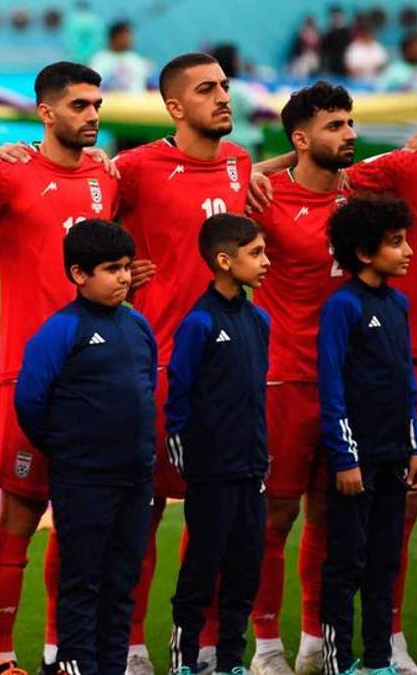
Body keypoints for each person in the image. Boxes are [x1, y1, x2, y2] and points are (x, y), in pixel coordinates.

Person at [251, 56, 417, 675]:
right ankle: (375, 642)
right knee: (379, 507)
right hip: (401, 365)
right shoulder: (402, 167)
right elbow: (307, 169)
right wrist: (261, 169)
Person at [111, 51, 254, 674]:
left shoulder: (243, 163)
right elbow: (78, 225)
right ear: (174, 107)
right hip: (154, 369)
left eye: (224, 85)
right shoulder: (135, 169)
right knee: (136, 515)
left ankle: (203, 647)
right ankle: (133, 647)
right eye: (206, 89)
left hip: (226, 380)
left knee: (219, 520)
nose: (223, 96)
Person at [0, 61, 118, 674]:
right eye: (79, 106)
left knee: (83, 521)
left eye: (96, 104)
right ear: (45, 113)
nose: (91, 115)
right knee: (18, 514)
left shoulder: (107, 176)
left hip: (96, 381)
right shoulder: (8, 174)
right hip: (26, 376)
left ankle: (65, 652)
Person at [14, 219, 156, 675]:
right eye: (112, 268)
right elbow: (30, 400)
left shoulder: (137, 325)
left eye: (127, 267)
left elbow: (146, 384)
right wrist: (70, 449)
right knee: (83, 583)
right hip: (84, 479)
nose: (124, 277)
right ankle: (76, 665)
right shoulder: (62, 330)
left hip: (135, 478)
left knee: (121, 584)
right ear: (78, 274)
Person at [247, 81, 355, 675]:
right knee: (275, 516)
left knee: (332, 514)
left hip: (350, 382)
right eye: (334, 125)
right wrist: (277, 162)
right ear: (300, 138)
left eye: (349, 123)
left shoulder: (364, 189)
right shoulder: (264, 196)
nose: (349, 134)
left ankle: (316, 640)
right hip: (284, 378)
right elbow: (215, 184)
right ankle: (266, 647)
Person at [318, 194, 417, 675]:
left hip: (392, 457)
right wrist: (345, 458)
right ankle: (337, 662)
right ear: (365, 253)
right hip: (355, 461)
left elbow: (404, 381)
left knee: (385, 564)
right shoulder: (342, 306)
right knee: (346, 566)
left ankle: (379, 661)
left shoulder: (399, 303)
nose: (408, 252)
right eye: (396, 243)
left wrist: (416, 446)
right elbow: (332, 384)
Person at [165, 214, 270, 675]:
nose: (266, 261)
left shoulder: (258, 319)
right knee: (200, 571)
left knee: (245, 571)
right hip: (212, 470)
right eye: (256, 254)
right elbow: (179, 394)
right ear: (225, 261)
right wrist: (192, 458)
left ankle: (231, 662)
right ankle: (185, 661)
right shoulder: (199, 323)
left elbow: (254, 393)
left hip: (251, 468)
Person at [88, 21, 151, 92]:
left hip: (134, 102)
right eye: (125, 36)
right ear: (114, 37)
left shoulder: (136, 60)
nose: (130, 39)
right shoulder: (99, 60)